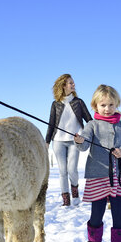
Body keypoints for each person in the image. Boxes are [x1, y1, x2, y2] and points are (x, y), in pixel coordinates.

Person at [74, 84, 121, 242]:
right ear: (95, 106)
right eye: (103, 105)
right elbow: (84, 145)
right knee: (96, 213)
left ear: (116, 105)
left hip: (119, 177)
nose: (107, 109)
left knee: (119, 213)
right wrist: (79, 140)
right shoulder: (92, 126)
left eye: (111, 105)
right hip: (97, 176)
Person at [46, 74, 92, 207]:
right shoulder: (55, 104)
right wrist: (47, 141)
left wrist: (88, 134)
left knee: (72, 169)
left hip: (74, 141)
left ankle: (75, 192)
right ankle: (66, 200)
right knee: (62, 171)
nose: (73, 85)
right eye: (70, 83)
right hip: (58, 141)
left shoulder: (79, 102)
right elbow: (51, 124)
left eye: (73, 82)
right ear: (63, 85)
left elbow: (89, 120)